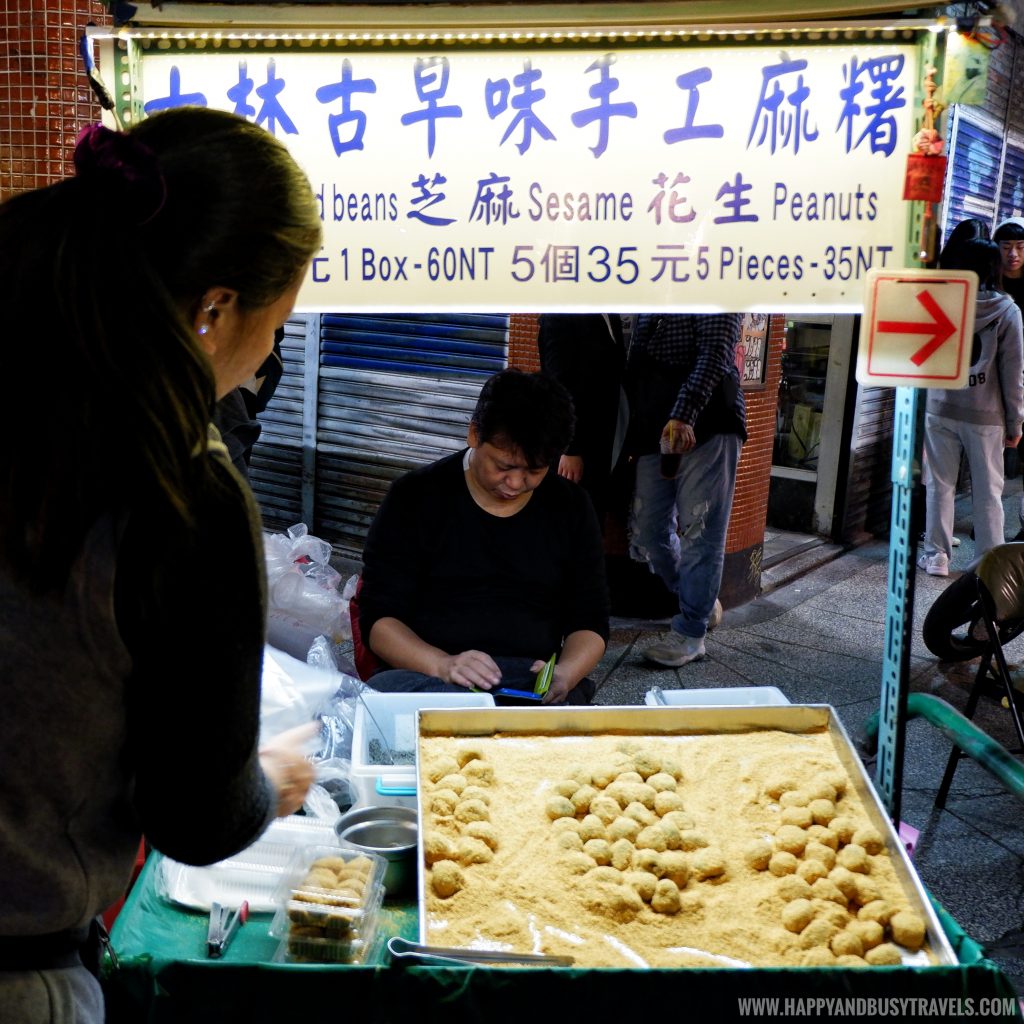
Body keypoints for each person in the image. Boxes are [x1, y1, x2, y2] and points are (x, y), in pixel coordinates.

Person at [0, 108, 322, 1023]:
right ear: (215, 309)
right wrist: (263, 780)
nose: (269, 355)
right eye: (280, 323)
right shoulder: (177, 488)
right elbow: (199, 815)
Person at [358, 368, 609, 705]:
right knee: (388, 696)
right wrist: (443, 664)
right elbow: (379, 622)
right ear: (474, 434)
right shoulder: (415, 497)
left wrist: (566, 673)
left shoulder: (571, 507)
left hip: (527, 680)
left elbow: (590, 620)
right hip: (429, 675)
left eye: (535, 470)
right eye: (504, 466)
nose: (516, 483)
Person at [626, 314, 747, 667]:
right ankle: (701, 601)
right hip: (653, 422)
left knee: (701, 531)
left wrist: (684, 412)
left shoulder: (715, 276)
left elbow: (716, 352)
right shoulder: (653, 287)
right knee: (647, 530)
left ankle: (691, 632)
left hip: (707, 421)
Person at [918, 236, 1024, 576]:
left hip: (941, 407)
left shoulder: (942, 303)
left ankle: (936, 557)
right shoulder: (1007, 310)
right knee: (989, 491)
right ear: (994, 268)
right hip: (986, 415)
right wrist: (1016, 423)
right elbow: (1013, 373)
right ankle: (987, 563)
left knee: (939, 484)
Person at [536, 313, 626, 530]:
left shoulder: (609, 313)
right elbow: (559, 386)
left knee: (591, 517)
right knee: (570, 519)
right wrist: (570, 448)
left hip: (602, 440)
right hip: (573, 446)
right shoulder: (559, 317)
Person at [993, 216, 1024, 539]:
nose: (1013, 253)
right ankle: (988, 523)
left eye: (1019, 247)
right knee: (992, 457)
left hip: (1021, 374)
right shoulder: (992, 283)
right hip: (994, 378)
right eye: (1006, 247)